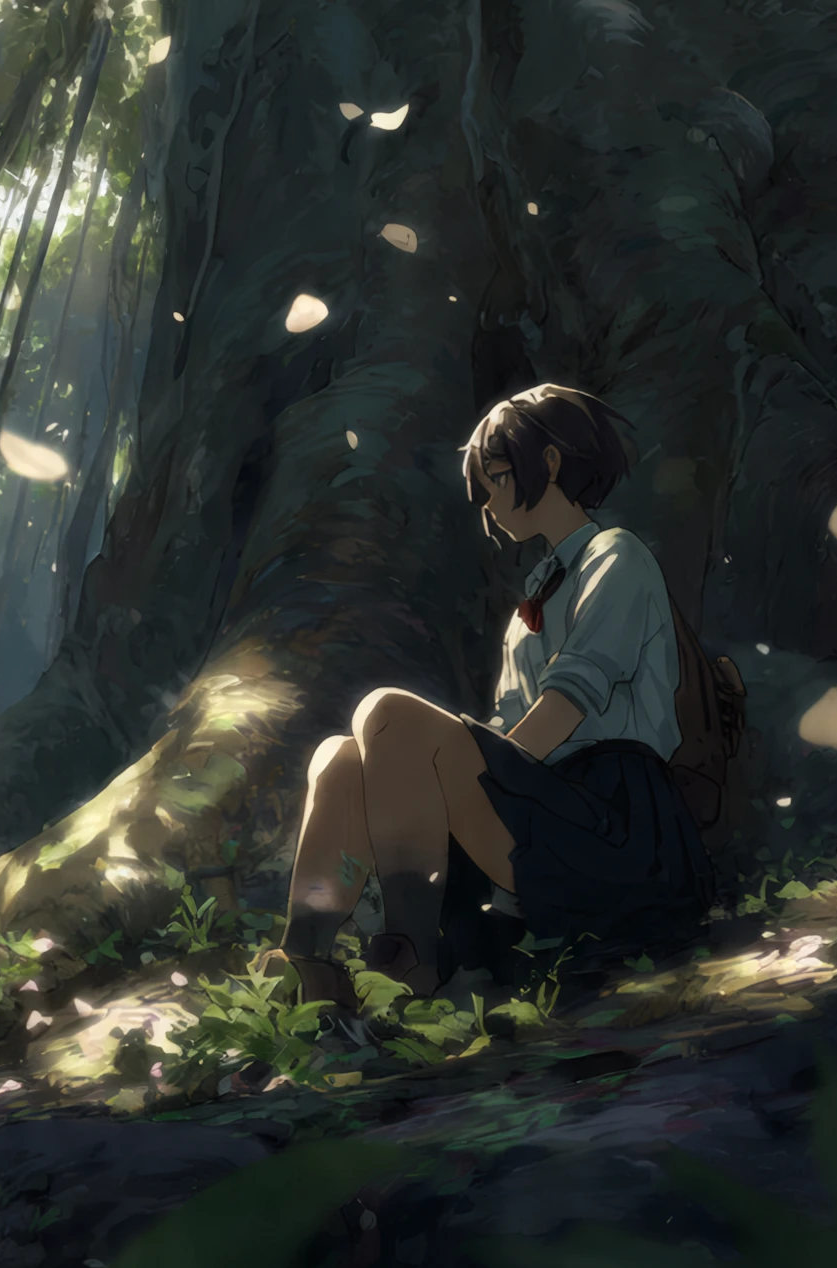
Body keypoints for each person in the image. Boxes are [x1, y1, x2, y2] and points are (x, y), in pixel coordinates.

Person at [258, 384, 714, 1011]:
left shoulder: (617, 557)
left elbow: (563, 710)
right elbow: (509, 726)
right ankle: (307, 961)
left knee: (387, 714)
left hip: (613, 820)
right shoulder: (538, 591)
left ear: (549, 463)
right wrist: (444, 778)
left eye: (496, 478)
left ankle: (410, 959)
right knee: (340, 757)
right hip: (541, 802)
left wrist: (456, 772)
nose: (487, 502)